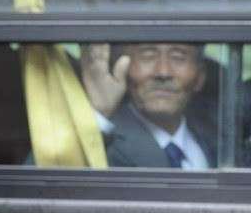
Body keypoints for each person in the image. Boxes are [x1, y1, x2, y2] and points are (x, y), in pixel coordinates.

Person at [81, 43, 216, 168]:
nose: (163, 72)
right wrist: (101, 115)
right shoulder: (105, 140)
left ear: (200, 77)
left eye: (178, 58)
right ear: (123, 68)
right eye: (148, 56)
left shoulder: (217, 138)